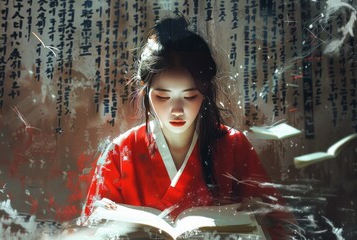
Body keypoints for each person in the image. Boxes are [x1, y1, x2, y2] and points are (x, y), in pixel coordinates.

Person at [82, 16, 294, 238]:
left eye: (190, 96)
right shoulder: (119, 153)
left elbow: (282, 228)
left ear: (205, 93)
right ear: (145, 91)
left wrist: (259, 221)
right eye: (163, 97)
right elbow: (91, 228)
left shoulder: (233, 145)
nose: (177, 110)